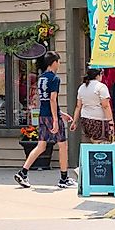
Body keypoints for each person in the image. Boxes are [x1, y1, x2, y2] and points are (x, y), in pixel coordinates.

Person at [15, 51, 73, 189]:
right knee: (63, 145)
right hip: (51, 116)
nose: (59, 64)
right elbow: (52, 99)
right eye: (58, 61)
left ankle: (23, 172)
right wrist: (55, 119)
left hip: (42, 115)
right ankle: (64, 178)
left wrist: (61, 113)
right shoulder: (55, 79)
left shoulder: (41, 78)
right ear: (53, 63)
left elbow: (45, 101)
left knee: (41, 146)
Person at [72, 69, 113, 144]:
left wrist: (74, 121)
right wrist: (110, 122)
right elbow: (106, 106)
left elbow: (78, 106)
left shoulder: (82, 87)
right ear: (98, 75)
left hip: (86, 119)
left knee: (93, 142)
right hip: (99, 120)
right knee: (101, 143)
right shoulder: (101, 87)